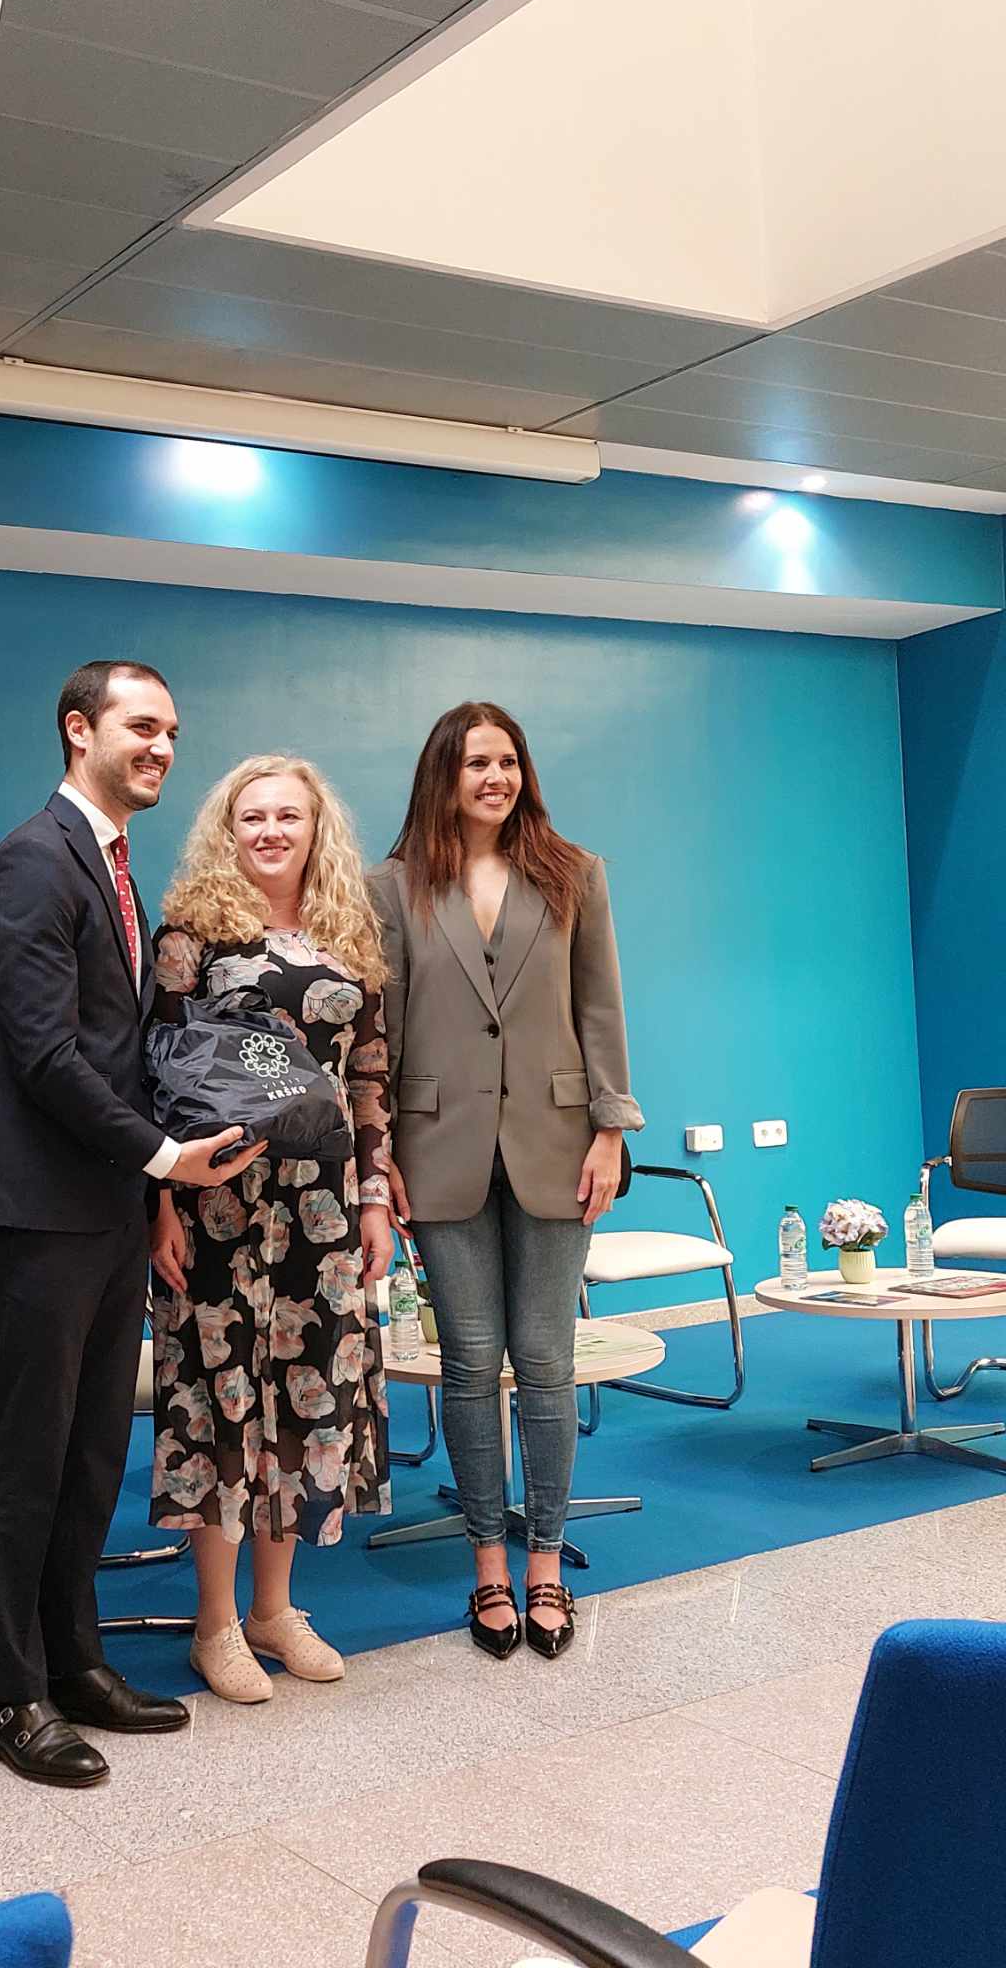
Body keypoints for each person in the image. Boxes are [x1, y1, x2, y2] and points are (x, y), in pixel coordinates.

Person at [0, 660, 264, 1787]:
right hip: (35, 1211)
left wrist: (165, 1166)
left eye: (171, 728)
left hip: (107, 1206)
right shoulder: (34, 861)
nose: (161, 746)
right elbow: (44, 1055)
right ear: (78, 729)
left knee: (90, 1455)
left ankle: (74, 1660)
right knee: (25, 1457)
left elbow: (120, 1047)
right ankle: (10, 1693)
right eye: (140, 725)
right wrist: (164, 1157)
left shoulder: (113, 865)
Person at [369, 703, 643, 1663]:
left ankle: (545, 1565)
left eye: (509, 761)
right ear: (442, 774)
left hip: (560, 1143)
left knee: (547, 1358)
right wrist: (379, 1154)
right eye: (476, 762)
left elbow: (600, 1007)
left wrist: (611, 1130)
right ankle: (487, 1562)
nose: (496, 777)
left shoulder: (574, 873)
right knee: (470, 1361)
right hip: (435, 1148)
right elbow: (381, 1032)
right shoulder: (392, 886)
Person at [149, 754, 394, 1703]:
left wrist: (375, 1197)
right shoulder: (191, 937)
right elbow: (152, 1074)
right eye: (252, 816)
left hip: (323, 1208)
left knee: (306, 1396)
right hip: (217, 1203)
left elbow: (369, 1077)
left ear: (315, 827)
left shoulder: (350, 931)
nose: (270, 831)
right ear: (228, 829)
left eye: (289, 815)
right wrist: (157, 1204)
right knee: (220, 1403)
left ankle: (273, 1610)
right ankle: (214, 1624)